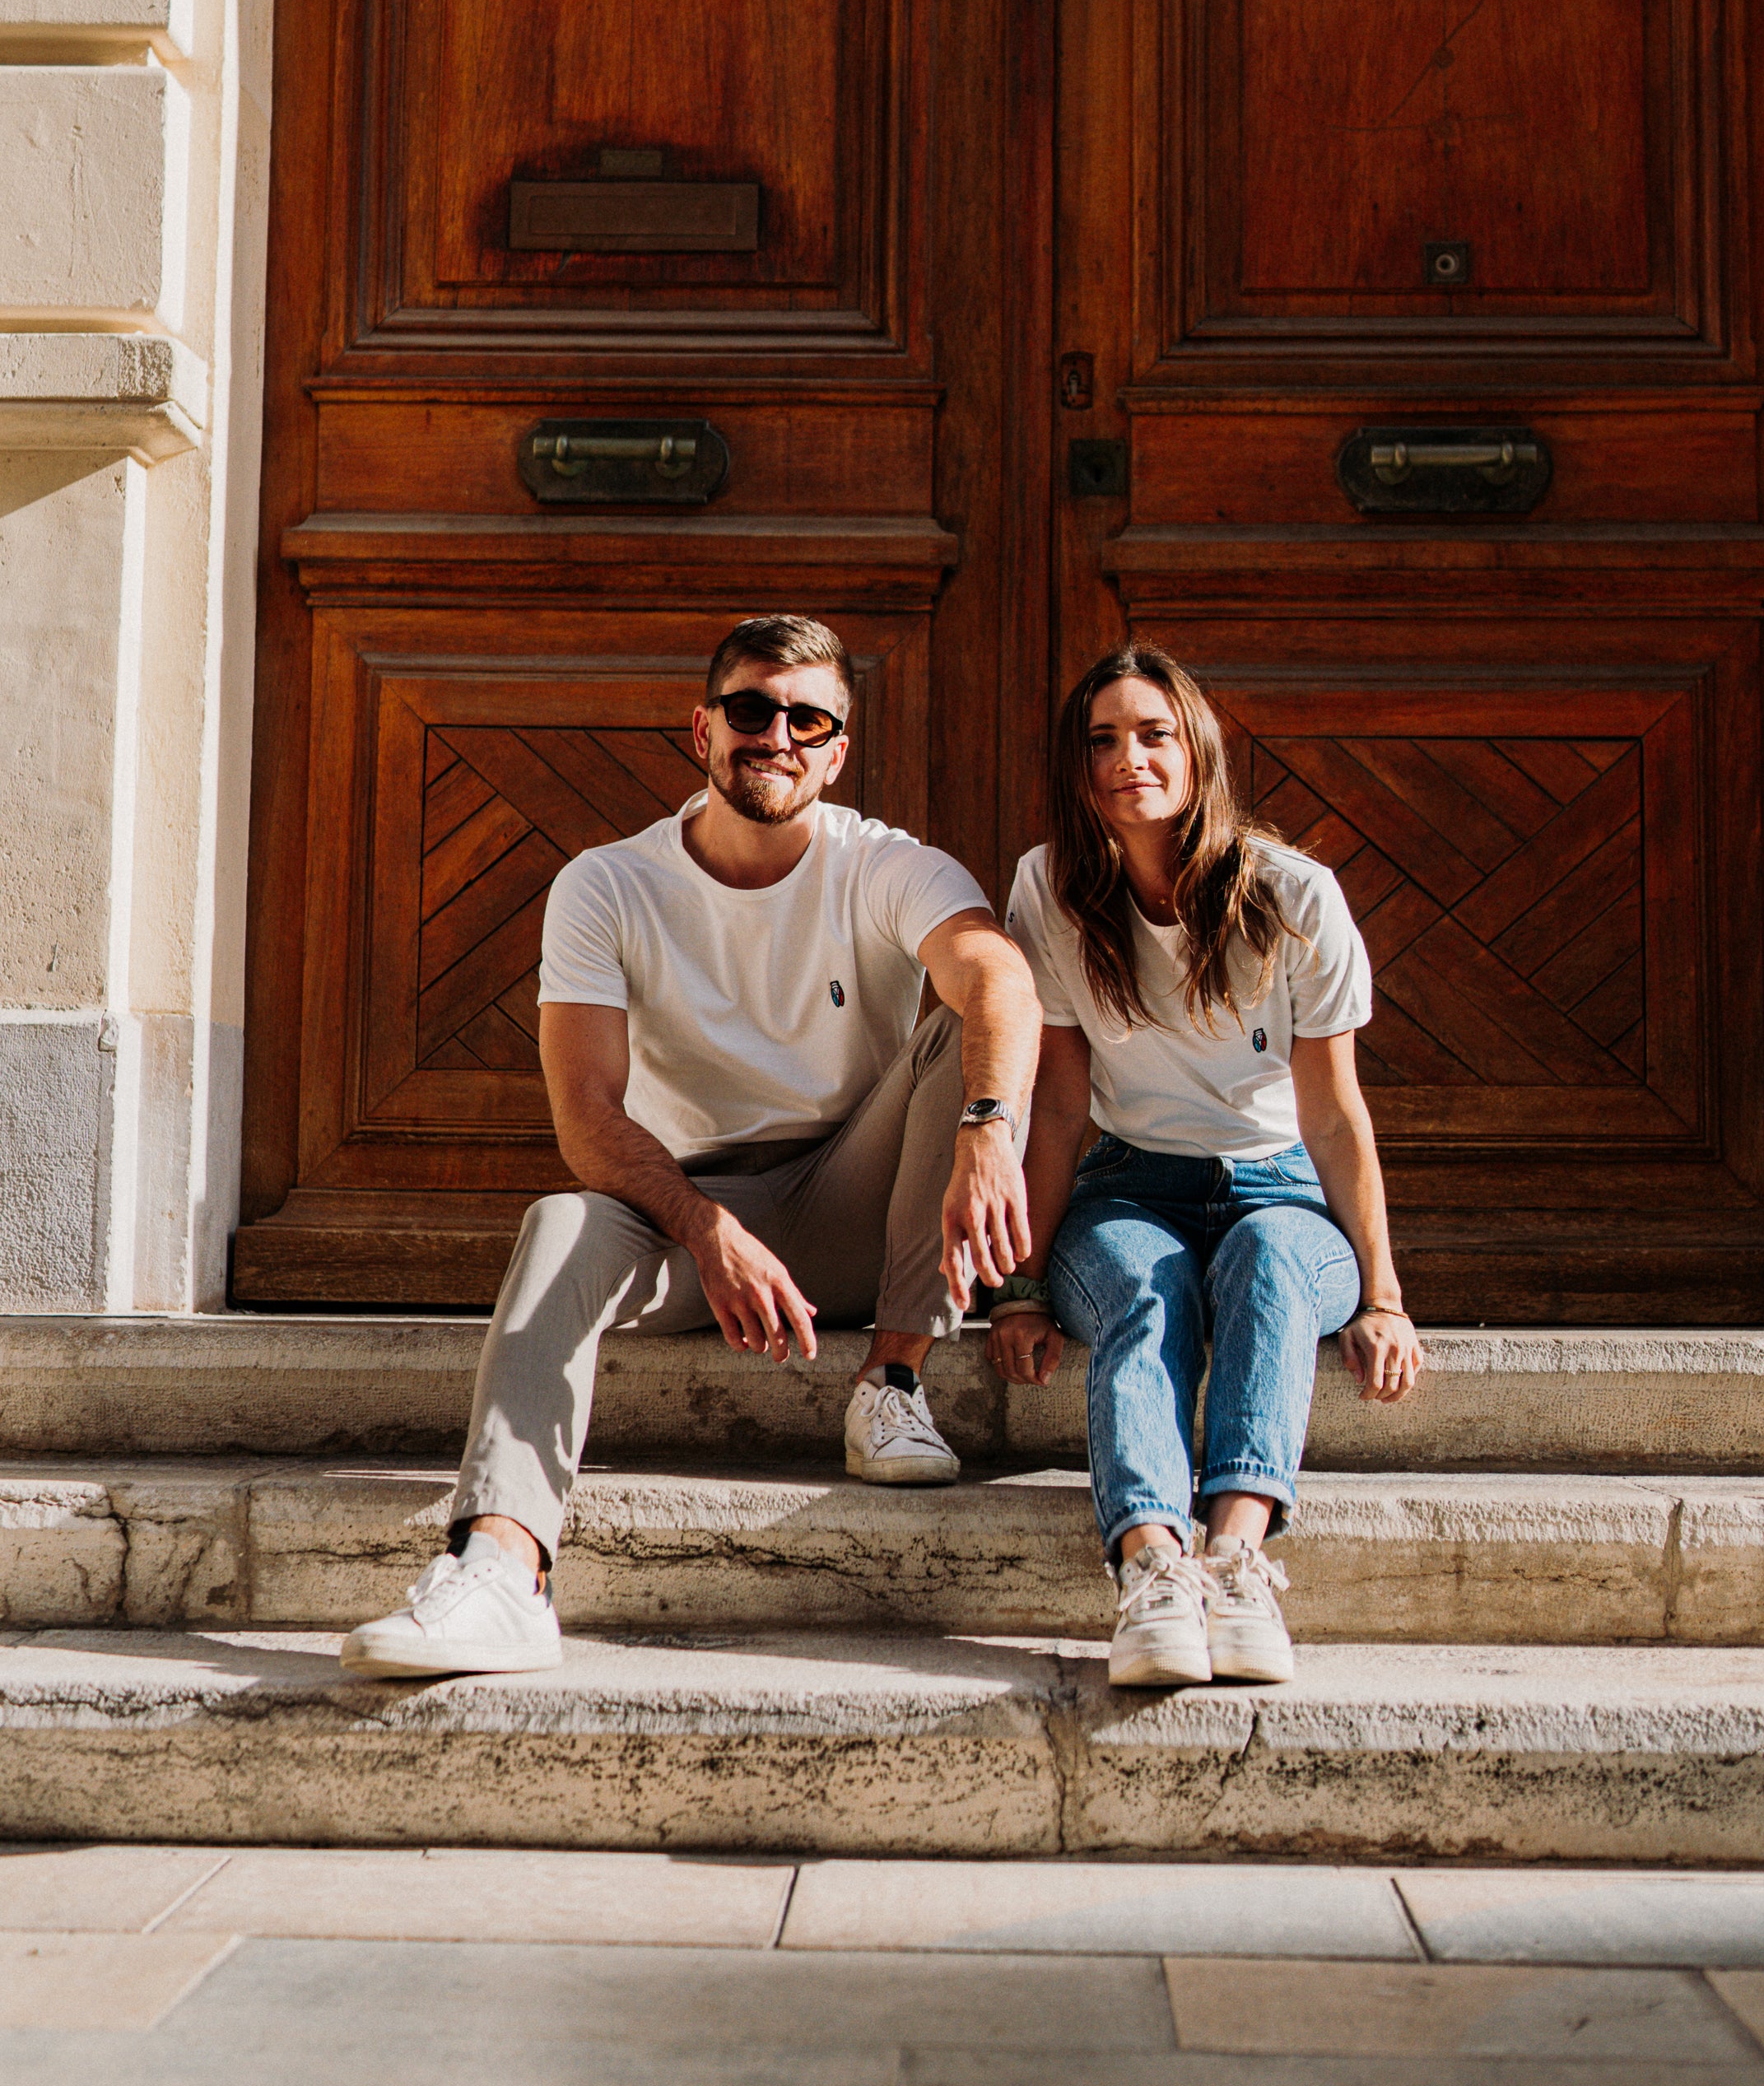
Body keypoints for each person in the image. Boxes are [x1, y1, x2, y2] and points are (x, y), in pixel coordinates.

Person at [342, 612, 1040, 1679]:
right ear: (702, 731)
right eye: (752, 710)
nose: (780, 736)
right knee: (562, 1222)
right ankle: (501, 1567)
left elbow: (999, 979)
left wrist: (991, 1136)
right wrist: (708, 1228)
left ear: (839, 748)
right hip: (686, 1215)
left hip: (858, 1201)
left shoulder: (882, 864)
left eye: (810, 719)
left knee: (968, 1015)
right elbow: (586, 1117)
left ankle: (893, 1385)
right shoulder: (609, 885)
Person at [991, 642, 1422, 1688]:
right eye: (1101, 741)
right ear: (1075, 765)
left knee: (1271, 1259)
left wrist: (1384, 1294)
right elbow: (1054, 1104)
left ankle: (1234, 1558)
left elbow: (1333, 1113)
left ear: (1198, 752)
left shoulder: (1293, 897)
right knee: (1148, 1282)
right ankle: (1151, 1567)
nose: (1127, 758)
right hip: (1130, 1186)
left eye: (1153, 734)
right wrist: (1024, 1284)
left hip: (1279, 1187)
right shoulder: (1049, 890)